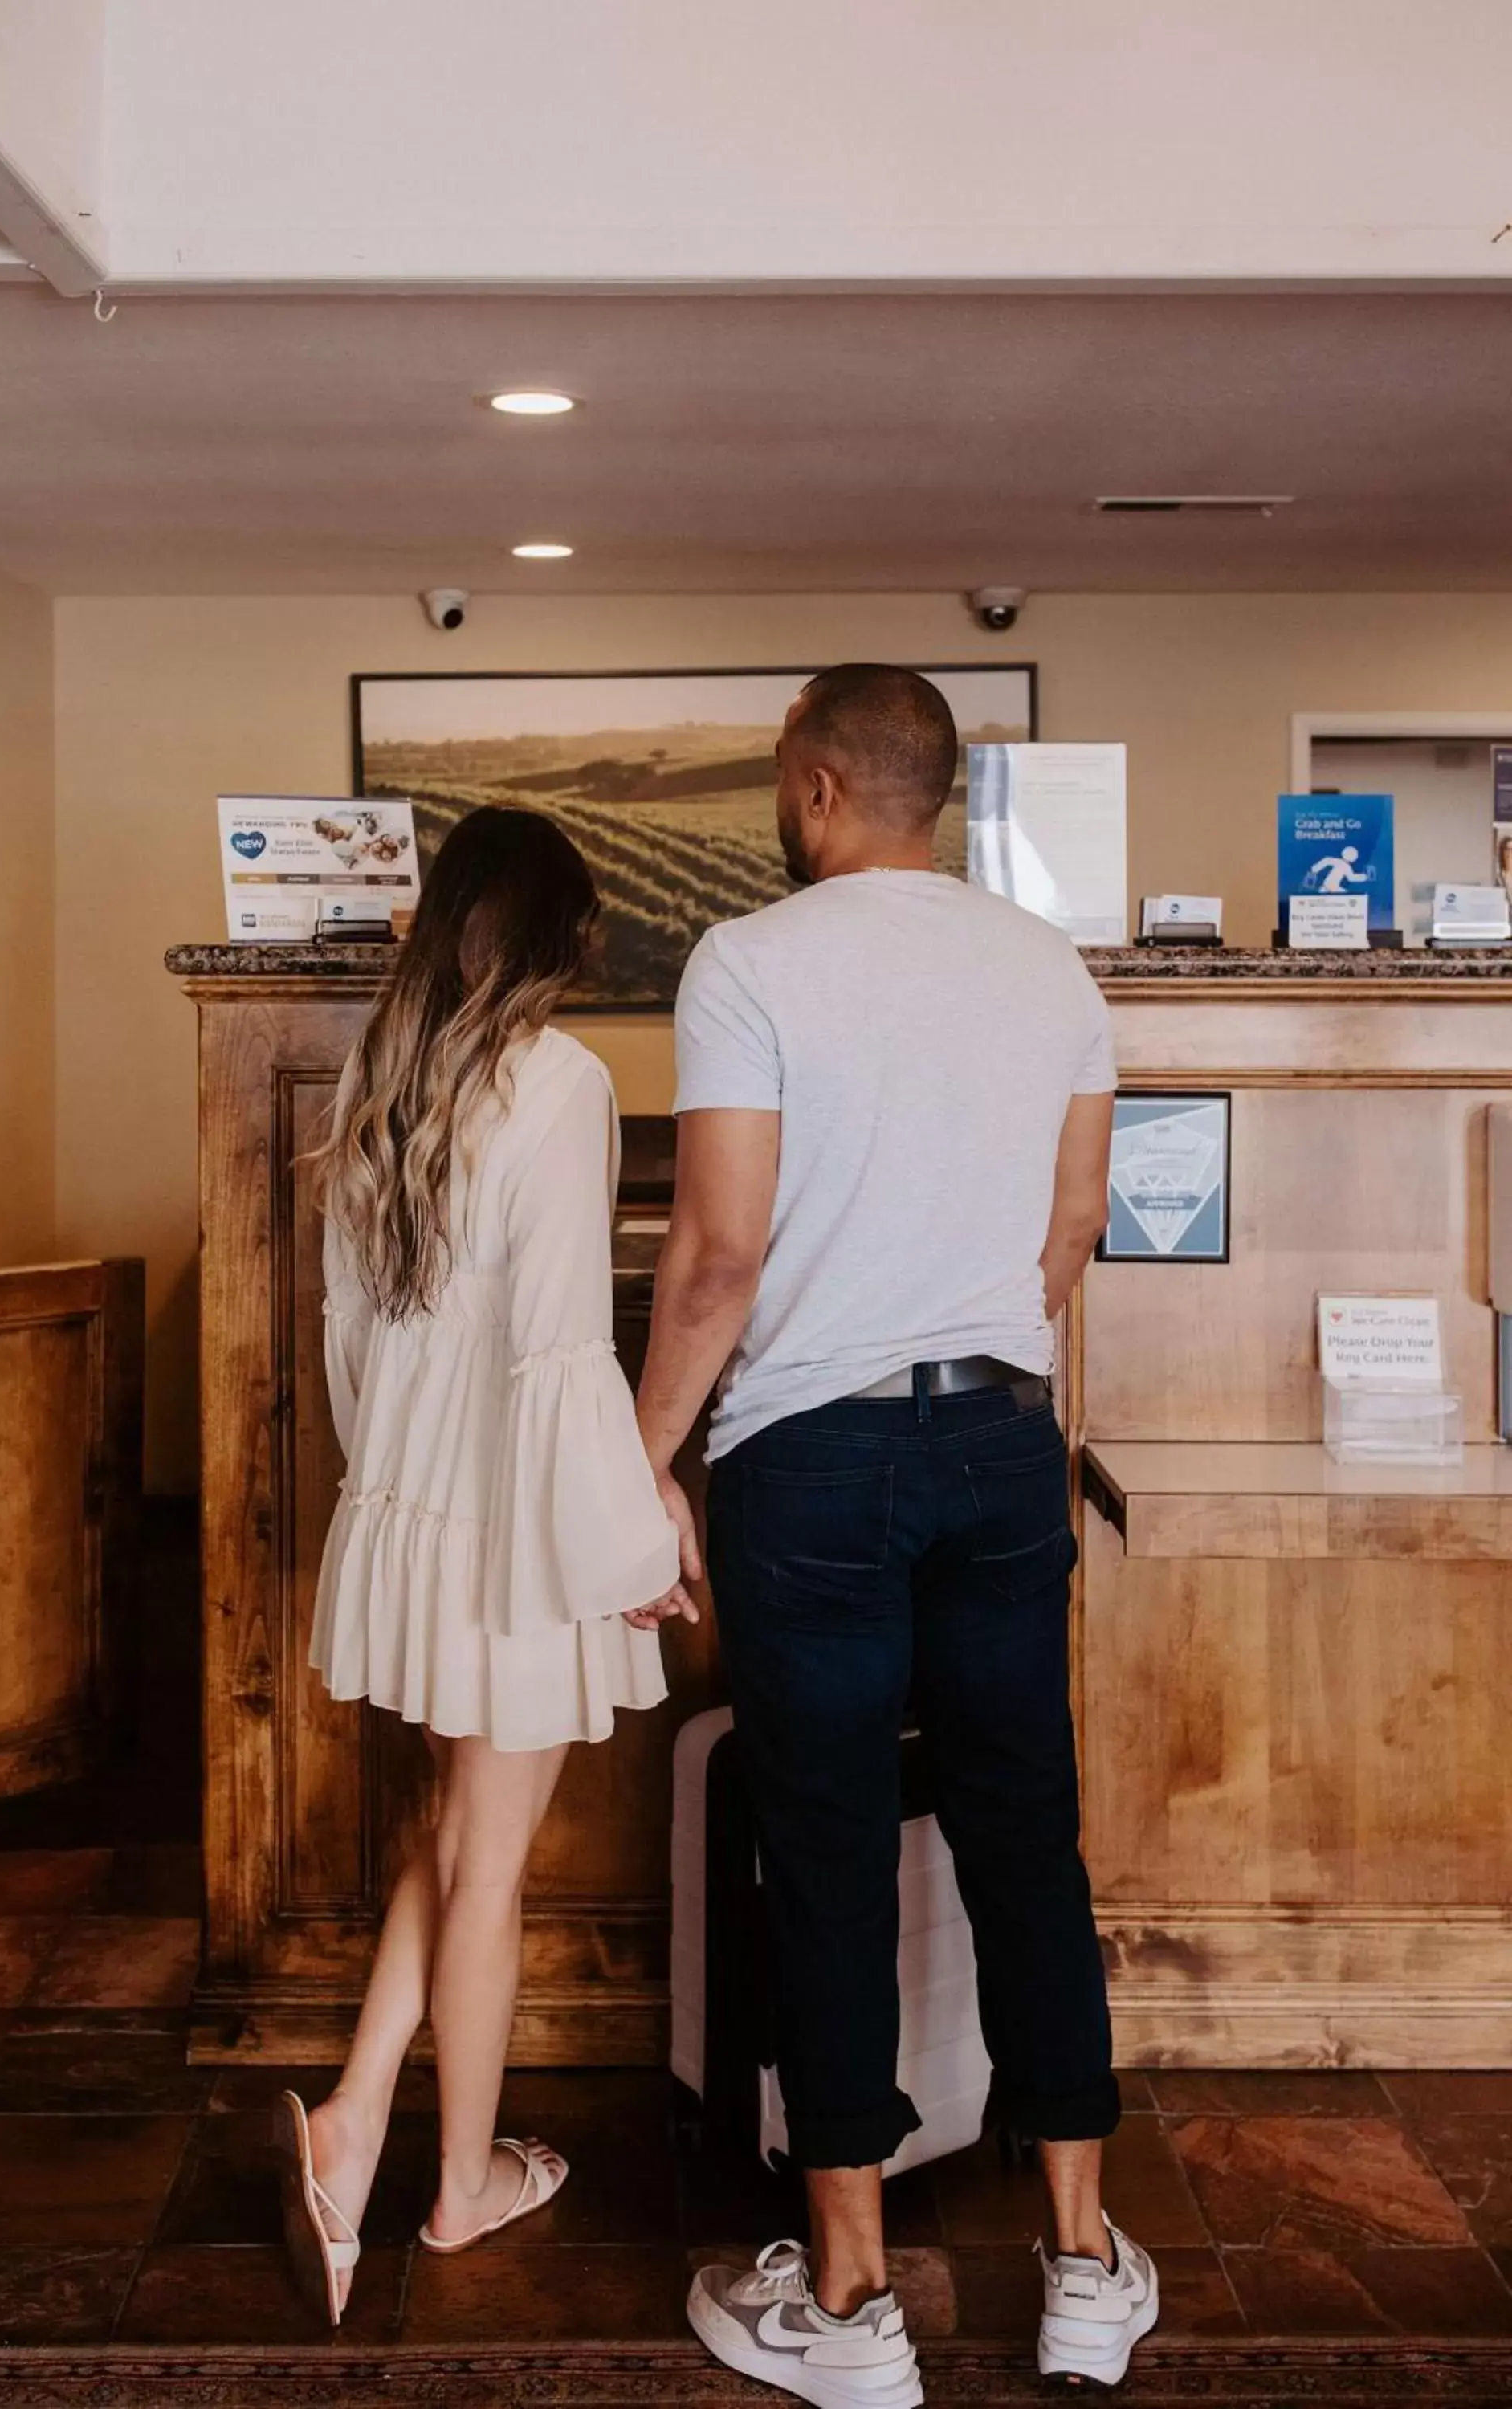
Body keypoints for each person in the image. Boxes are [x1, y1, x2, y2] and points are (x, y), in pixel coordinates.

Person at [634, 666, 1158, 2401]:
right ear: (940, 792)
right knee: (1027, 1839)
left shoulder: (751, 965)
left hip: (811, 1463)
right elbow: (1072, 1228)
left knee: (832, 1850)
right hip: (1003, 1446)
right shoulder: (1048, 968)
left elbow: (715, 1256)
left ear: (813, 791)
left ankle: (853, 2306)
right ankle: (1082, 2264)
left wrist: (645, 1458)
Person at [275, 807, 695, 2327]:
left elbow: (346, 1344)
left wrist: (394, 1484)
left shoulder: (387, 1080)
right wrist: (634, 1545)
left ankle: (356, 2120)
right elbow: (568, 1357)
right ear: (553, 939)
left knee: (455, 1830)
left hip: (411, 1517)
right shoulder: (564, 1080)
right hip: (516, 1533)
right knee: (492, 1861)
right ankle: (461, 2189)